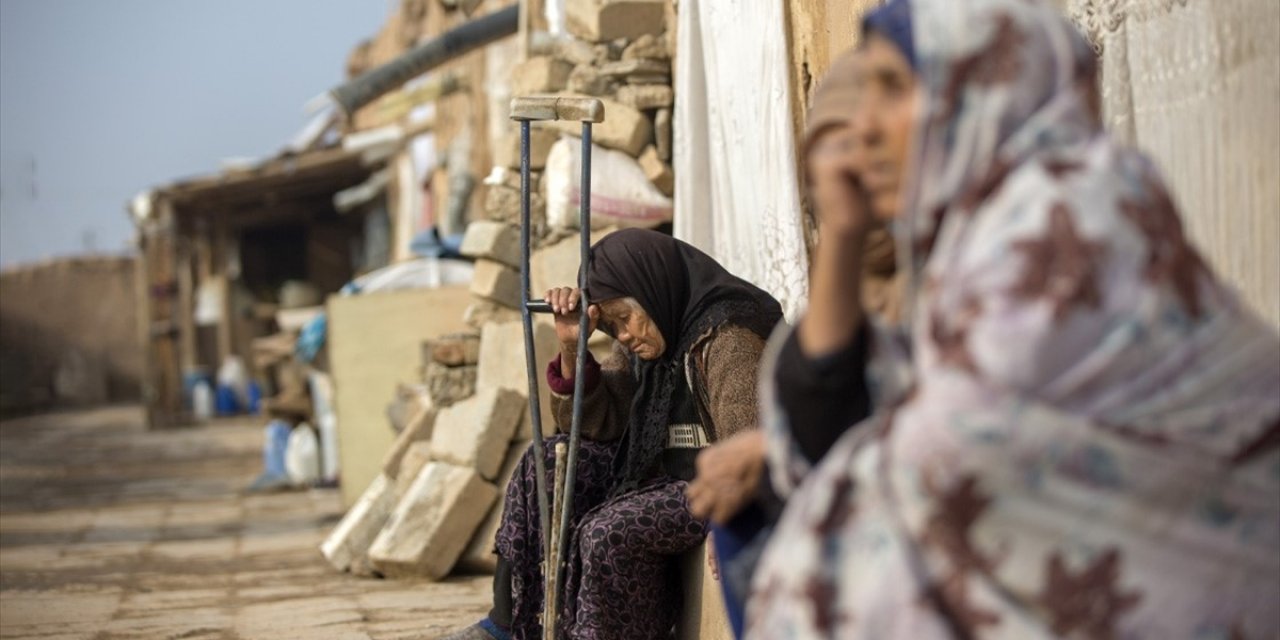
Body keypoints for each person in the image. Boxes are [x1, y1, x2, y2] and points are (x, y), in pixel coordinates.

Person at [748, 0, 1280, 638]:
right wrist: (842, 232)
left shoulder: (1065, 221)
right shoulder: (968, 246)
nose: (862, 133)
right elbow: (830, 413)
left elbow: (943, 457)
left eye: (893, 88)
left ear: (981, 91)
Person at [445, 228, 783, 640]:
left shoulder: (729, 339)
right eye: (611, 325)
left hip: (707, 486)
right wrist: (572, 348)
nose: (621, 334)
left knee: (607, 531)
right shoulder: (646, 338)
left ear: (653, 290)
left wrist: (730, 521)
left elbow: (748, 452)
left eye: (624, 318)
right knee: (545, 463)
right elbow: (597, 425)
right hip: (656, 475)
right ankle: (509, 624)